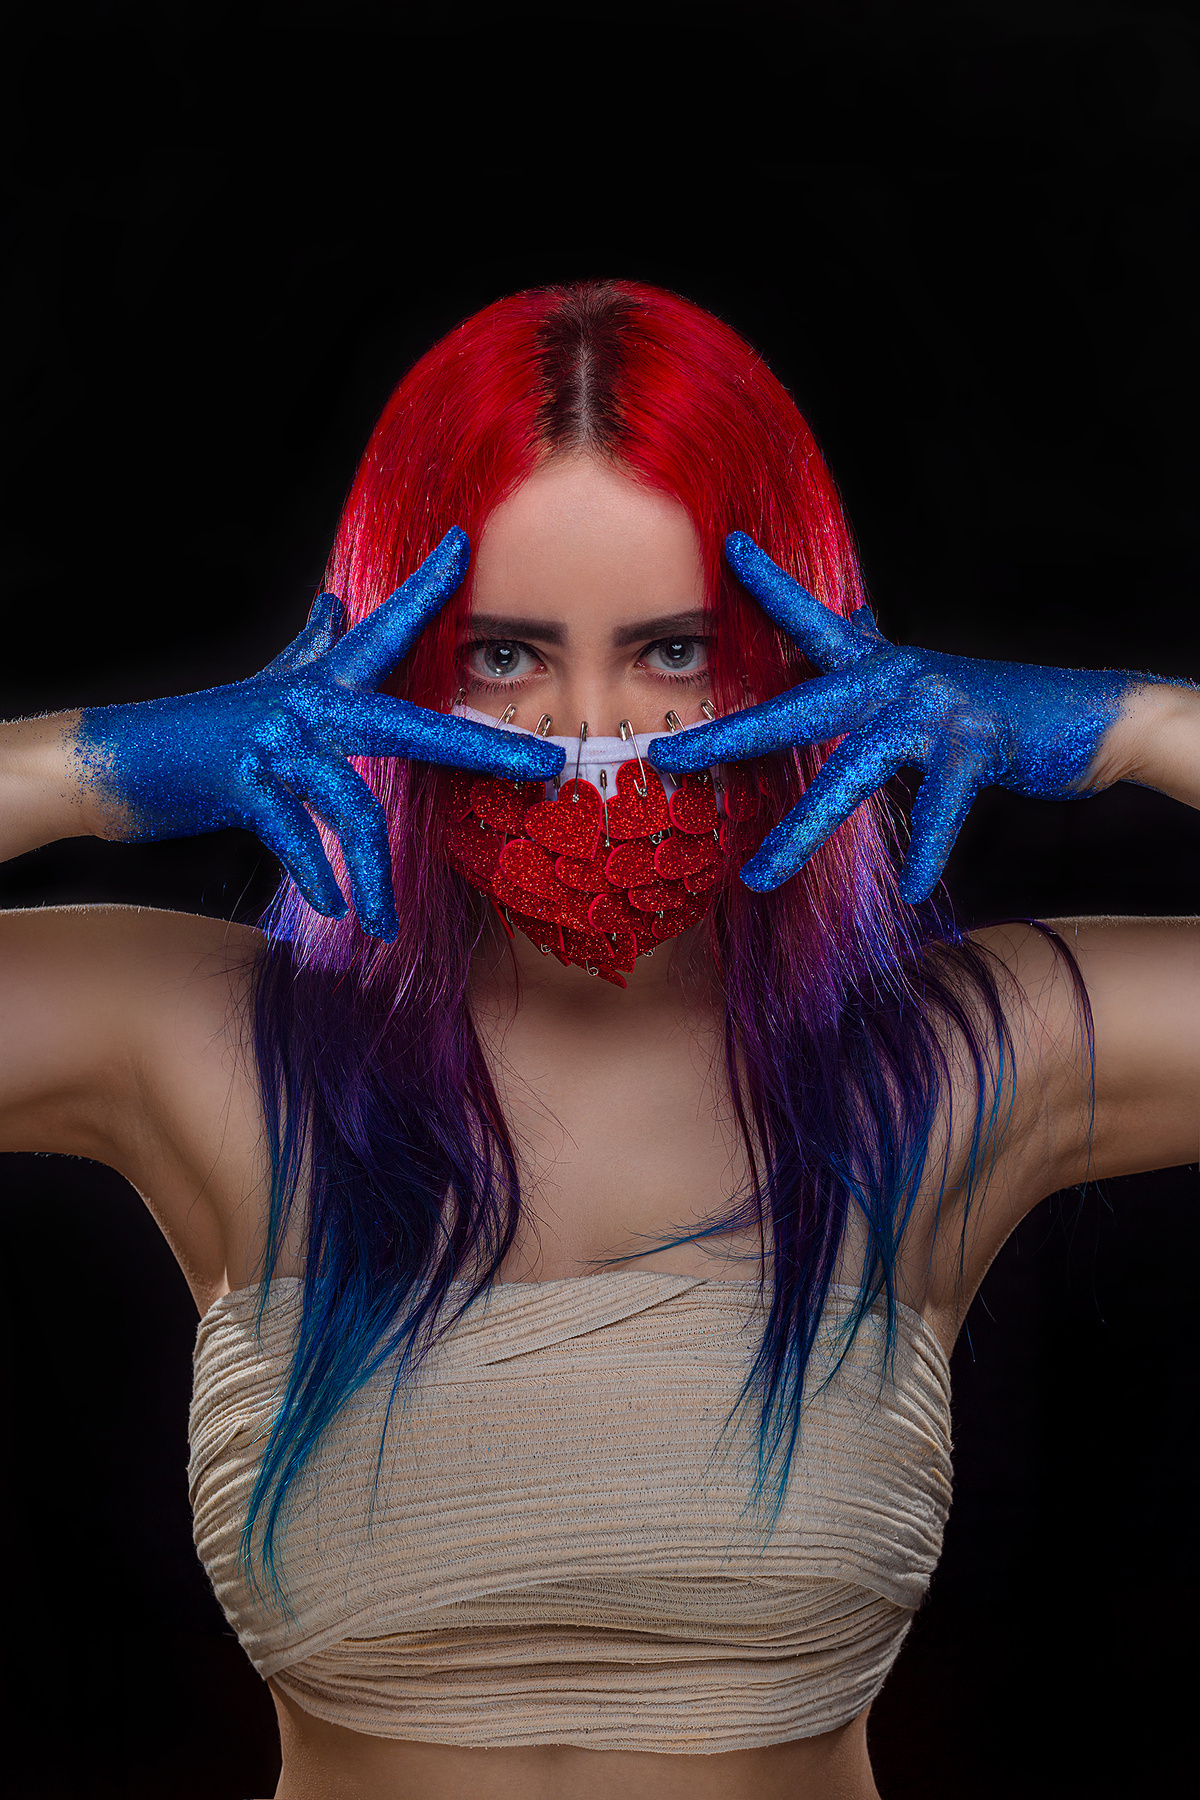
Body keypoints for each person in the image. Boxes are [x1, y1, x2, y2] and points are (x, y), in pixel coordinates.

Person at [1, 280, 1196, 1800]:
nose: (590, 739)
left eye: (674, 650)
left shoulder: (957, 1062)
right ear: (392, 660)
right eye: (502, 655)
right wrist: (95, 771)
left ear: (797, 662)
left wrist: (1123, 730)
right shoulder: (199, 1041)